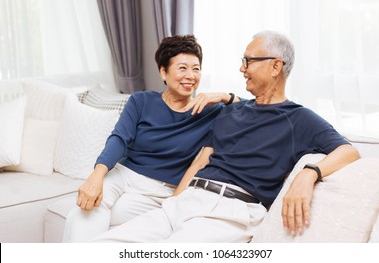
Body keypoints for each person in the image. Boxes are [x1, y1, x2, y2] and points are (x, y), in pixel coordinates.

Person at [90, 30, 360, 243]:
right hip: (186, 200)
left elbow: (349, 151)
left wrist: (308, 173)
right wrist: (174, 202)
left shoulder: (299, 119)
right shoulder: (233, 112)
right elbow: (200, 162)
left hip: (231, 211)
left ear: (276, 66)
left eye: (248, 61)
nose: (242, 69)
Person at [62, 34, 239, 242]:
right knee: (88, 209)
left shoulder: (210, 111)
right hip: (123, 175)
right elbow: (119, 138)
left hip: (161, 191)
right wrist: (97, 175)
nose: (190, 75)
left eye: (196, 68)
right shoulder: (141, 101)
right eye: (182, 68)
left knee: (87, 214)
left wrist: (226, 97)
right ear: (163, 72)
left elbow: (254, 108)